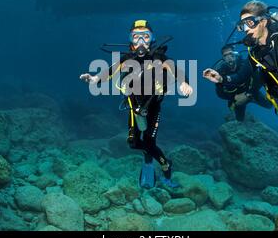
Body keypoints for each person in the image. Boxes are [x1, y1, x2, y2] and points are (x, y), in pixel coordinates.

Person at [80, 20, 193, 189]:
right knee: (132, 142)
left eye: (145, 37)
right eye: (136, 37)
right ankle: (149, 157)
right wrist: (95, 79)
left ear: (152, 39)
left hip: (153, 106)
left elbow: (175, 69)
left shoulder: (159, 57)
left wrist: (184, 82)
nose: (141, 42)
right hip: (134, 106)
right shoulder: (127, 58)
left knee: (149, 142)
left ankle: (165, 166)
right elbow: (110, 71)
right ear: (131, 40)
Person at [203, 45, 272, 121]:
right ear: (223, 58)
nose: (229, 57)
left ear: (235, 54)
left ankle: (251, 100)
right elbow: (219, 93)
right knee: (239, 119)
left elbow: (259, 80)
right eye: (225, 56)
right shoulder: (221, 71)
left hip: (251, 92)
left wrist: (248, 94)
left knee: (269, 105)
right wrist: (233, 98)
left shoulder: (246, 64)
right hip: (237, 98)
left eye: (231, 54)